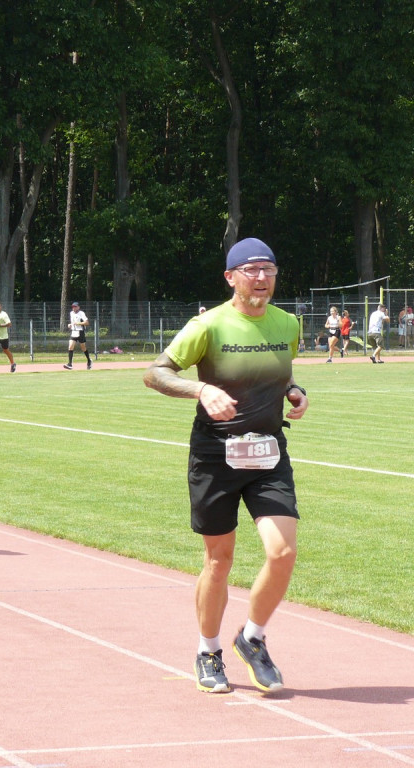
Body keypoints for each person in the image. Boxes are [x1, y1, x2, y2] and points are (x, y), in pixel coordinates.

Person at [143, 237, 307, 695]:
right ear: (231, 277)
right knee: (219, 560)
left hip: (269, 454)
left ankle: (252, 639)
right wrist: (201, 391)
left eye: (269, 270)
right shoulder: (208, 325)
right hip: (216, 454)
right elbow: (156, 372)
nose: (261, 278)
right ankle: (208, 650)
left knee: (282, 552)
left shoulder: (288, 324)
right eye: (251, 270)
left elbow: (282, 371)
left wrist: (295, 392)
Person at [64, 301, 92, 370]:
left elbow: (87, 322)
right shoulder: (71, 313)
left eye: (75, 306)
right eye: (73, 307)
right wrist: (70, 325)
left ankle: (89, 360)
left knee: (83, 348)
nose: (74, 308)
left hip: (80, 332)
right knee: (70, 346)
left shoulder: (81, 313)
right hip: (73, 332)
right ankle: (70, 364)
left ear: (78, 307)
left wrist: (78, 323)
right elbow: (72, 322)